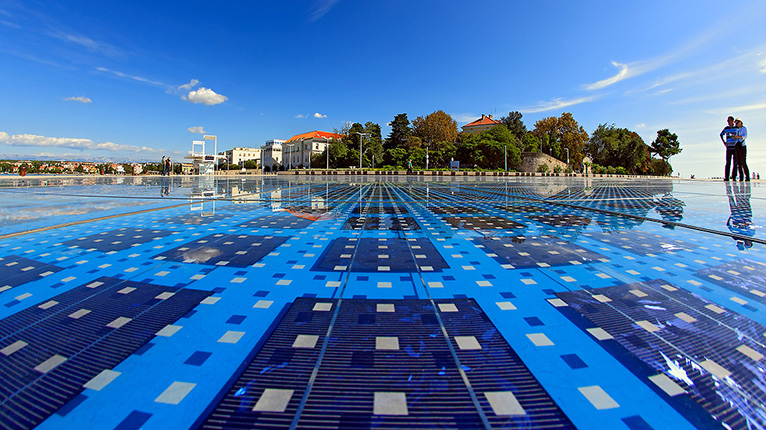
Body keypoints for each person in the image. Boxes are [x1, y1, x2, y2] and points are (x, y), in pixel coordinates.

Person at [720, 116, 739, 180]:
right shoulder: (726, 128)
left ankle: (734, 177)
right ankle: (727, 177)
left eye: (729, 120)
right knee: (728, 162)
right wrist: (724, 142)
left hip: (735, 147)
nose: (728, 122)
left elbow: (740, 134)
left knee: (735, 163)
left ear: (732, 121)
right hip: (729, 147)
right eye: (727, 121)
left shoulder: (736, 128)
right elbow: (721, 134)